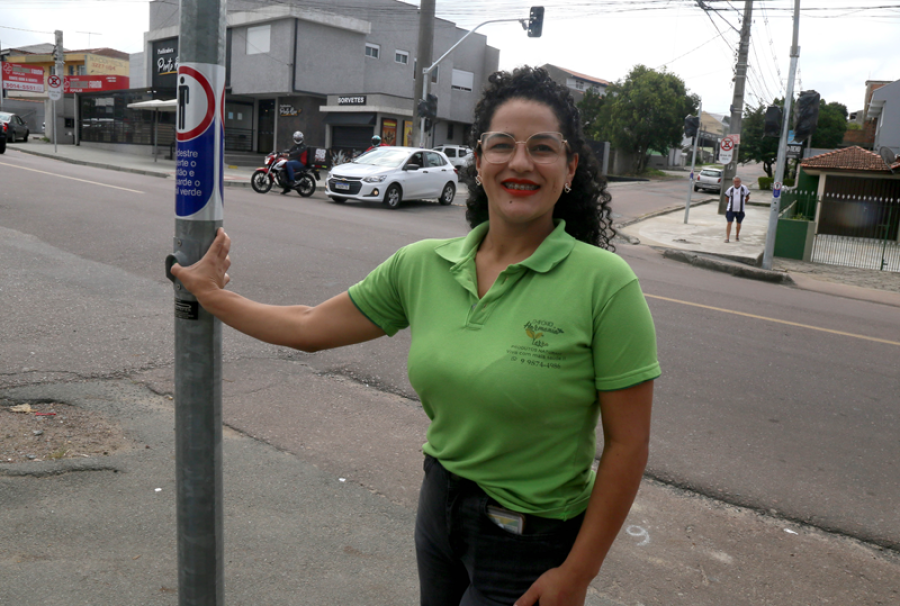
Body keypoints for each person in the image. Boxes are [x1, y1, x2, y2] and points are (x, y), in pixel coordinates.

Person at [171, 65, 660, 606]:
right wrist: (214, 296)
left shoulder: (606, 285)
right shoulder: (423, 265)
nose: (520, 162)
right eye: (502, 146)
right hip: (440, 509)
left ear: (569, 168)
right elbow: (308, 327)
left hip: (530, 538)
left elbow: (628, 445)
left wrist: (578, 572)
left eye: (542, 148)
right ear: (478, 161)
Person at [724, 176, 751, 242]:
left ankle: (737, 236)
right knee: (729, 223)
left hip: (740, 210)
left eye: (738, 181)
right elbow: (727, 198)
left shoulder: (744, 188)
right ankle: (727, 238)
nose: (736, 183)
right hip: (731, 210)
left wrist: (744, 203)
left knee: (738, 223)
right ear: (733, 182)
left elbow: (747, 197)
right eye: (735, 181)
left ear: (740, 182)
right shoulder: (730, 189)